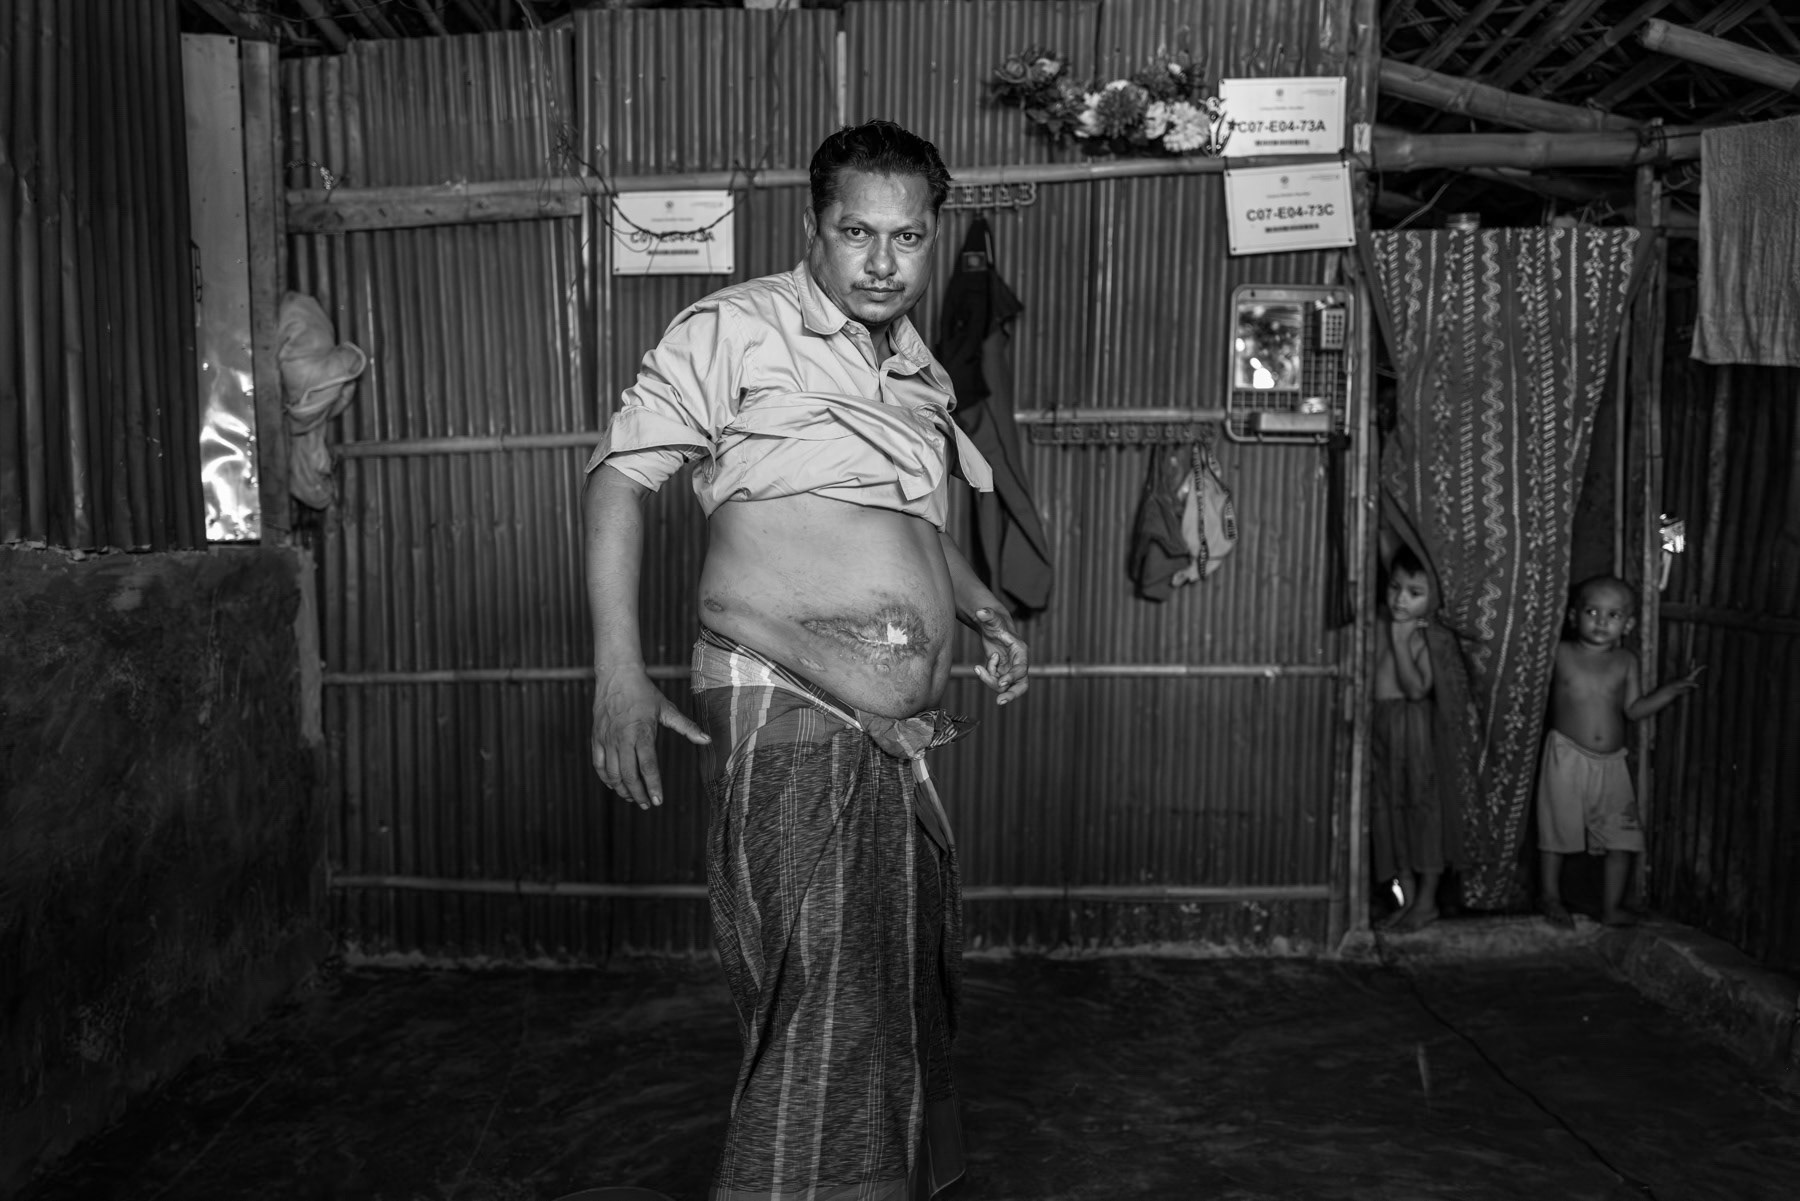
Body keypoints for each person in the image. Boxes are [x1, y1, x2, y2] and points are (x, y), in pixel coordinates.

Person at [581, 119, 1030, 1201]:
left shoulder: (919, 369)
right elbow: (618, 481)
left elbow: (913, 533)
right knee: (825, 994)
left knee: (900, 987)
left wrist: (982, 610)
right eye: (856, 232)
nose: (883, 261)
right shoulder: (735, 329)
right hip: (786, 697)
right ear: (813, 229)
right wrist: (618, 672)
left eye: (908, 236)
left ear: (934, 237)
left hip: (893, 737)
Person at [1538, 574, 1703, 928]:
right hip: (1565, 756)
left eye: (1613, 615)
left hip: (1611, 763)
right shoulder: (1561, 653)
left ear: (1628, 624)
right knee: (1556, 832)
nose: (1601, 621)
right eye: (1592, 611)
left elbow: (1633, 710)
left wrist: (1670, 692)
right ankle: (1550, 897)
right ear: (1573, 616)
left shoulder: (1625, 661)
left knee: (1622, 838)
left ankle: (1611, 907)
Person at [1369, 544, 1448, 932]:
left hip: (1413, 725)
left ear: (1433, 599)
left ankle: (1429, 901)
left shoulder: (1424, 636)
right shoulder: (1380, 620)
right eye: (1395, 587)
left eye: (1415, 593)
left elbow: (1417, 689)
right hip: (1381, 724)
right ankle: (1411, 899)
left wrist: (1401, 641)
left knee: (1422, 810)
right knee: (1389, 811)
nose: (1401, 598)